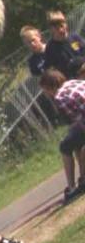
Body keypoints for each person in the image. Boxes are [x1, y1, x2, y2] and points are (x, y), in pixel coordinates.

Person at [38, 68, 85, 203]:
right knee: (74, 141)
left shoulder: (60, 97)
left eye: (45, 90)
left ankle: (72, 186)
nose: (46, 94)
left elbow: (77, 121)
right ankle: (82, 179)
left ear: (49, 86)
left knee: (65, 146)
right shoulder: (74, 82)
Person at [43, 11, 85, 78]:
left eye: (62, 26)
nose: (61, 30)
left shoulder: (75, 37)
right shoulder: (50, 47)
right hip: (69, 80)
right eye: (57, 28)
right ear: (51, 29)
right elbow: (49, 68)